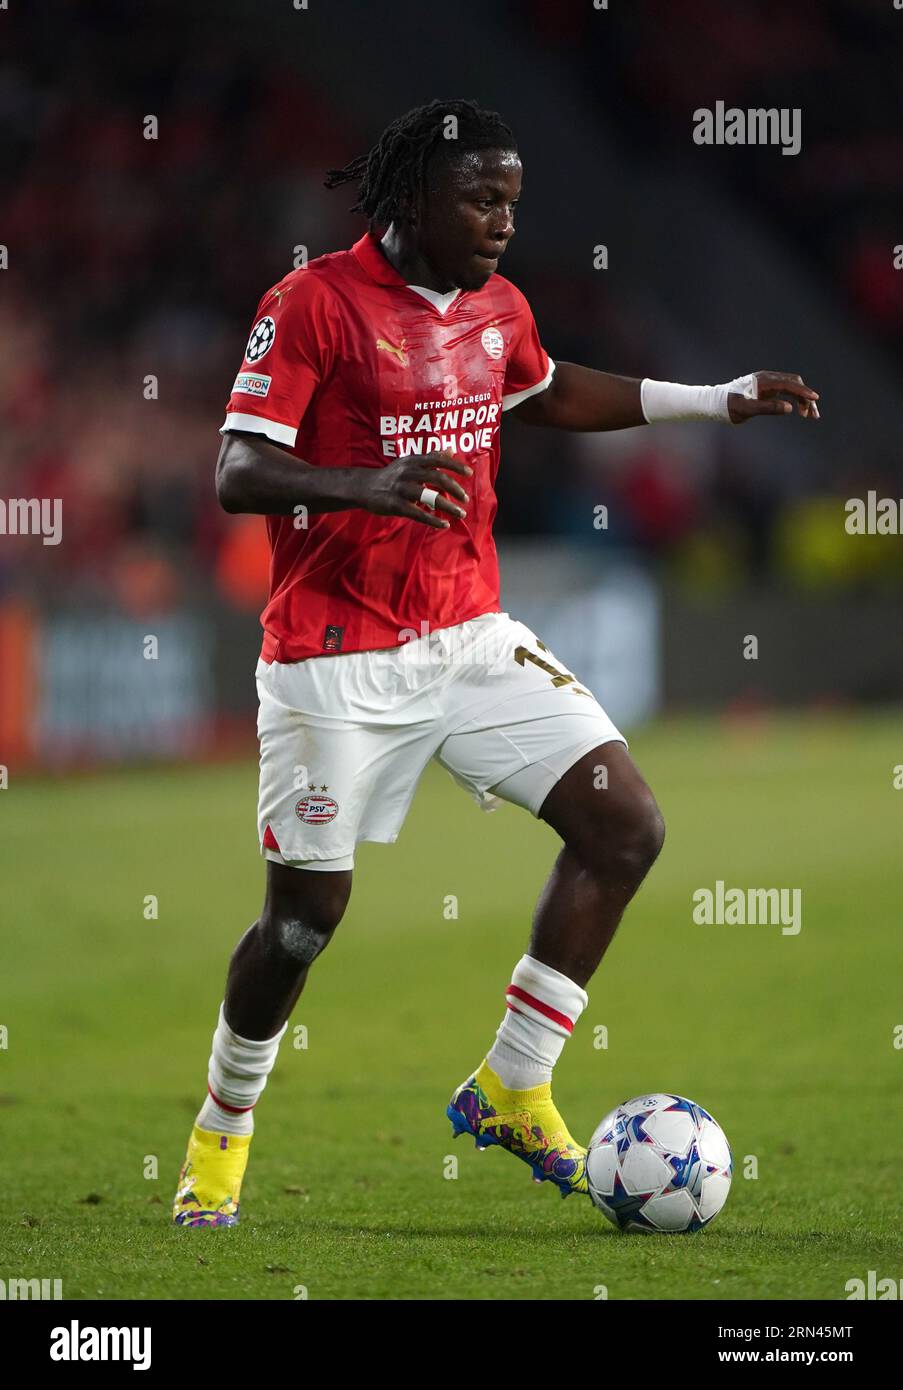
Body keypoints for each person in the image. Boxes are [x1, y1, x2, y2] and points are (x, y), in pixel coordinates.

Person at [172, 99, 818, 1226]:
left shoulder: (495, 307)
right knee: (301, 923)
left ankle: (514, 1081)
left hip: (470, 637)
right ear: (411, 197)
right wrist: (360, 484)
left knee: (627, 824)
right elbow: (237, 469)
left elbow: (550, 389)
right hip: (335, 659)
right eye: (480, 198)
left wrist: (717, 401)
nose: (502, 222)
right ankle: (221, 1133)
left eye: (512, 201)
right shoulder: (311, 303)